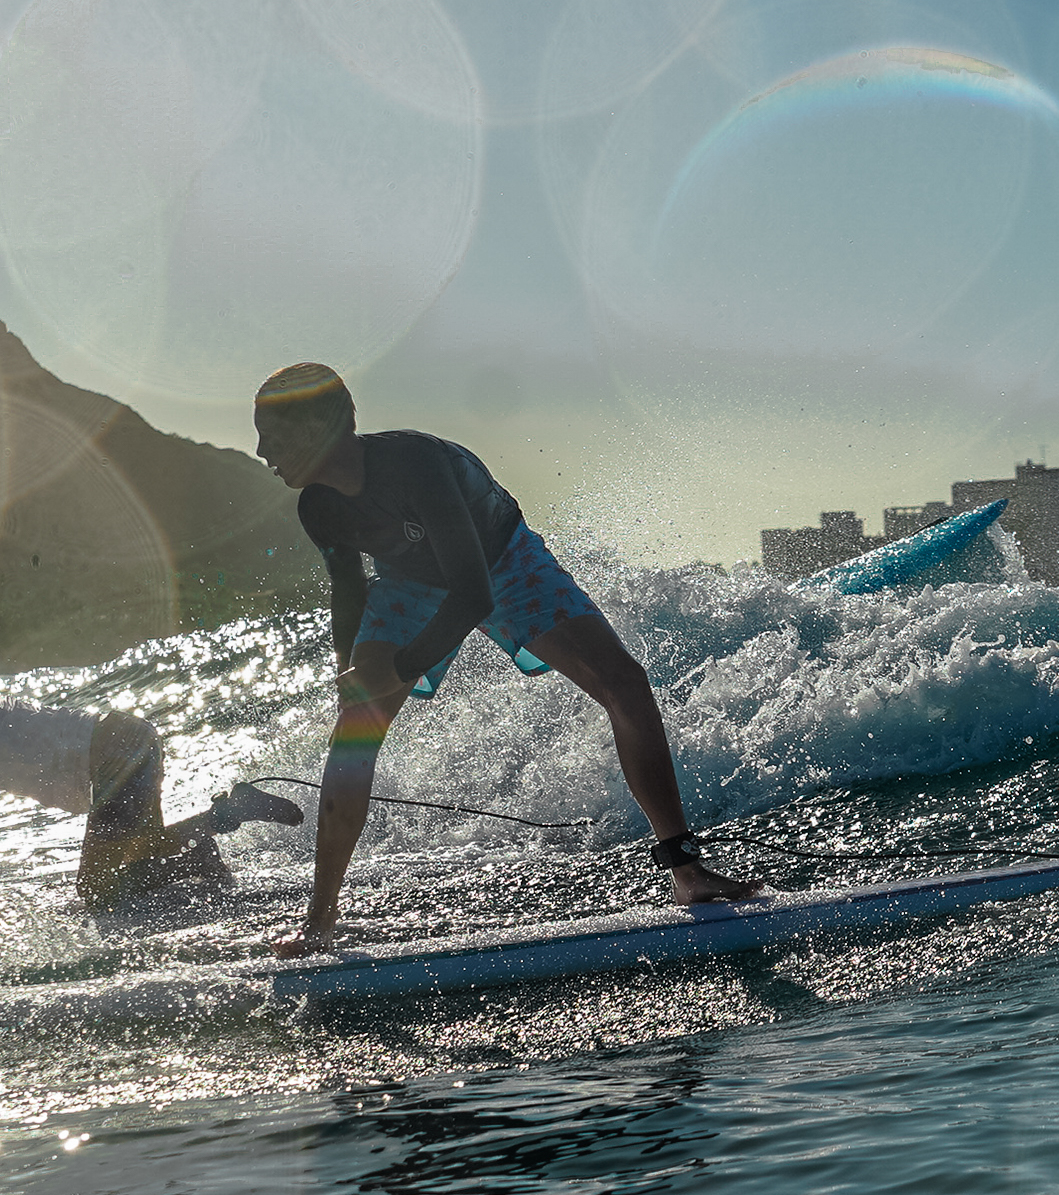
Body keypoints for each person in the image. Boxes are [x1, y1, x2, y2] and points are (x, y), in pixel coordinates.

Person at [251, 362, 760, 953]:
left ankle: (686, 871)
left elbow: (475, 593)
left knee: (625, 682)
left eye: (273, 434)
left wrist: (396, 665)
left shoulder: (415, 462)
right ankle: (320, 921)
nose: (262, 451)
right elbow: (350, 589)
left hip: (504, 560)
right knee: (354, 732)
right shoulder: (319, 506)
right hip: (410, 581)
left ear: (321, 426)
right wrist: (352, 673)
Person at [0, 644, 299, 910]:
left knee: (96, 891)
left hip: (116, 756)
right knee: (137, 857)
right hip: (130, 740)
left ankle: (223, 820)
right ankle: (200, 848)